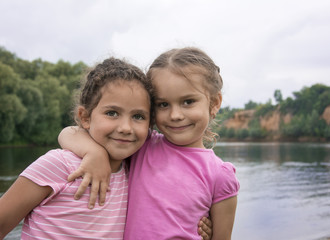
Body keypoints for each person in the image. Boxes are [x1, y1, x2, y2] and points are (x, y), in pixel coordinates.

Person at [0, 57, 212, 240]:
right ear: (85, 117)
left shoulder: (135, 171)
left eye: (138, 116)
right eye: (112, 113)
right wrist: (94, 153)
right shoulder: (59, 165)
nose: (126, 128)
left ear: (150, 124)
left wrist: (198, 226)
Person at [59, 47, 240, 239]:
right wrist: (94, 154)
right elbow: (68, 133)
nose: (175, 115)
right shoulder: (143, 145)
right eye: (163, 104)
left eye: (188, 102)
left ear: (215, 103)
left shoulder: (221, 175)